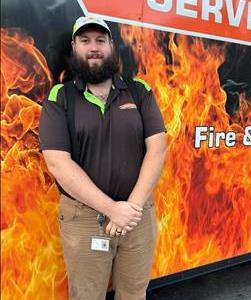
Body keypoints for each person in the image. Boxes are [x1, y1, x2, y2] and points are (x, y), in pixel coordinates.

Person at [39, 16, 167, 300]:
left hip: (137, 216)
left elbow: (157, 148)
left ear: (111, 46)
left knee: (134, 293)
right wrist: (112, 209)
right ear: (74, 47)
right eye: (85, 41)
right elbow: (58, 163)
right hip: (84, 219)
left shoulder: (139, 91)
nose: (93, 47)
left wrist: (129, 209)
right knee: (86, 295)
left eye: (100, 40)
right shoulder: (60, 98)